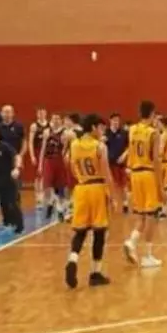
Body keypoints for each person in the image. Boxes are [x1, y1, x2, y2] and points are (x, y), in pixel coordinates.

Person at [64, 114, 115, 288]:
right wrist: (112, 196)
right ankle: (95, 273)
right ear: (93, 127)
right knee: (99, 232)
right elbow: (107, 173)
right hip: (97, 188)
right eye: (100, 128)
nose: (102, 132)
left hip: (81, 188)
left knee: (80, 231)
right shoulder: (99, 146)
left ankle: (72, 259)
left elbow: (71, 166)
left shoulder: (74, 145)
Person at [122, 100, 165, 268]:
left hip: (135, 174)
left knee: (141, 215)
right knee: (152, 215)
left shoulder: (132, 130)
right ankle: (148, 256)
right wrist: (160, 186)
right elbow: (156, 160)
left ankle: (131, 242)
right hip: (148, 174)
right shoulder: (154, 133)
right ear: (153, 113)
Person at [38, 113, 67, 221]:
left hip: (59, 160)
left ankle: (59, 208)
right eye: (54, 118)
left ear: (61, 120)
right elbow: (43, 148)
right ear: (51, 120)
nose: (56, 120)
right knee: (47, 185)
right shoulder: (47, 132)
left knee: (60, 187)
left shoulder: (64, 133)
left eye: (58, 118)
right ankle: (52, 202)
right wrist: (40, 164)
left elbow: (65, 149)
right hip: (48, 160)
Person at [105, 113, 129, 213]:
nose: (116, 122)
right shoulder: (105, 133)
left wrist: (124, 155)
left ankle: (125, 204)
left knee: (123, 185)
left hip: (121, 163)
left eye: (118, 120)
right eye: (114, 120)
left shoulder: (124, 133)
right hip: (109, 164)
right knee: (110, 184)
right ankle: (111, 203)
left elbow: (129, 147)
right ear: (110, 120)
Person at [29, 108, 49, 205]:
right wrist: (32, 155)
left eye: (43, 113)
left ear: (46, 114)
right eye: (39, 113)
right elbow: (30, 142)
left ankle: (45, 195)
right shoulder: (34, 126)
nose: (41, 115)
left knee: (46, 175)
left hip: (47, 152)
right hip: (37, 151)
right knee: (38, 175)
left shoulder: (49, 125)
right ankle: (38, 196)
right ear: (37, 114)